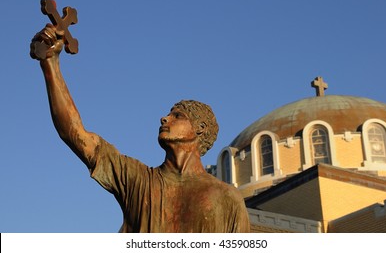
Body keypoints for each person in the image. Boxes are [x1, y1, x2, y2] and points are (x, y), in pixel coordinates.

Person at [30, 24, 250, 233]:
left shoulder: (227, 199)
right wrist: (51, 64)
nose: (164, 119)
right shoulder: (138, 180)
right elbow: (74, 133)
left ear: (200, 128)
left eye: (177, 116)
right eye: (168, 114)